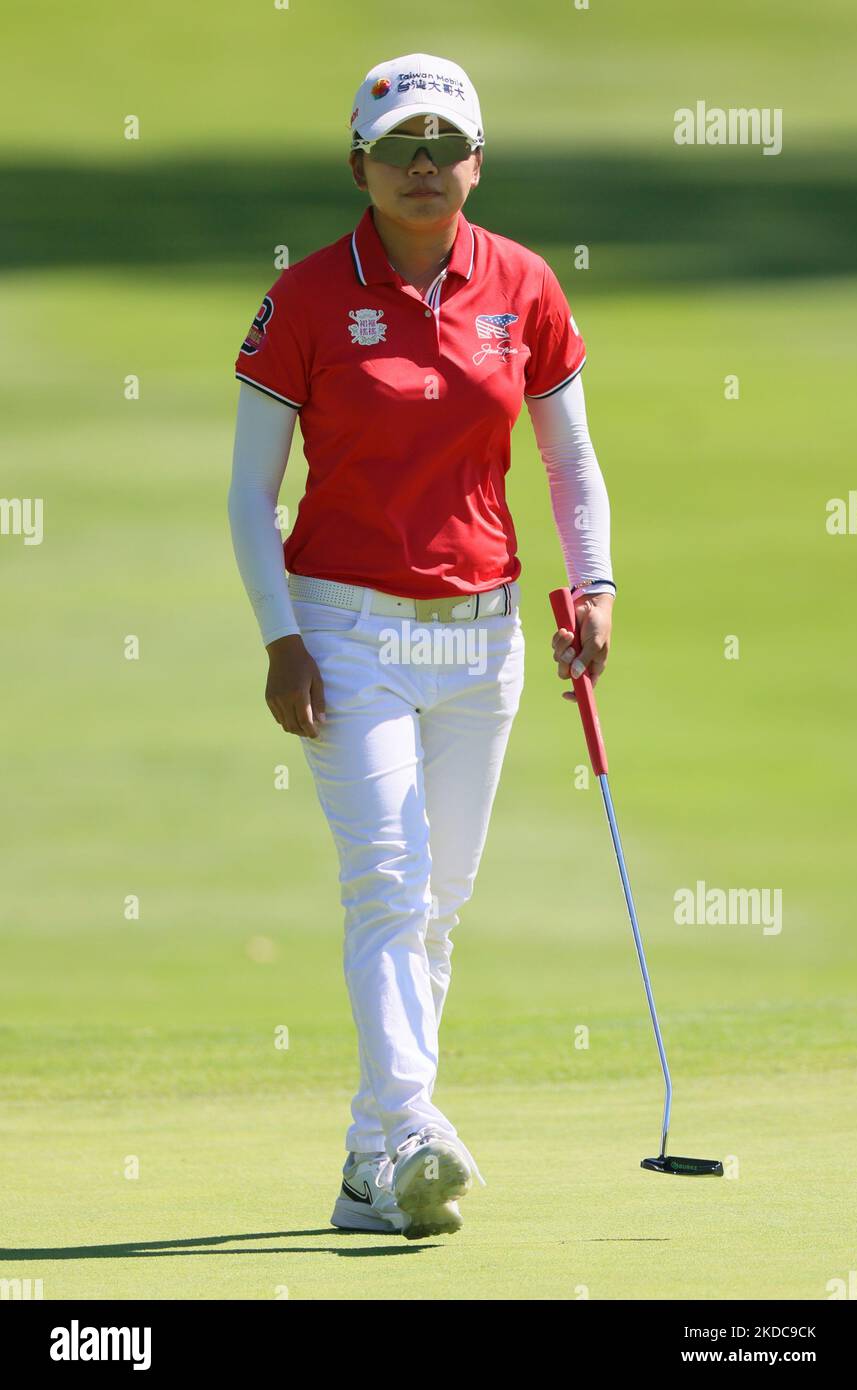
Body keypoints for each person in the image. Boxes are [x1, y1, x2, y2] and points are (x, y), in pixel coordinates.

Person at [228, 53, 615, 1241]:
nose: (423, 167)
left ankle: (364, 1166)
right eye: (399, 147)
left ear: (476, 163)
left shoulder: (522, 284)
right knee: (388, 883)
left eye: (445, 147)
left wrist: (592, 583)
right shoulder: (303, 300)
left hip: (483, 637)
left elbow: (566, 458)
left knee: (437, 900)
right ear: (359, 164)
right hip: (345, 630)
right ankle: (413, 1128)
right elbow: (251, 492)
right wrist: (282, 637)